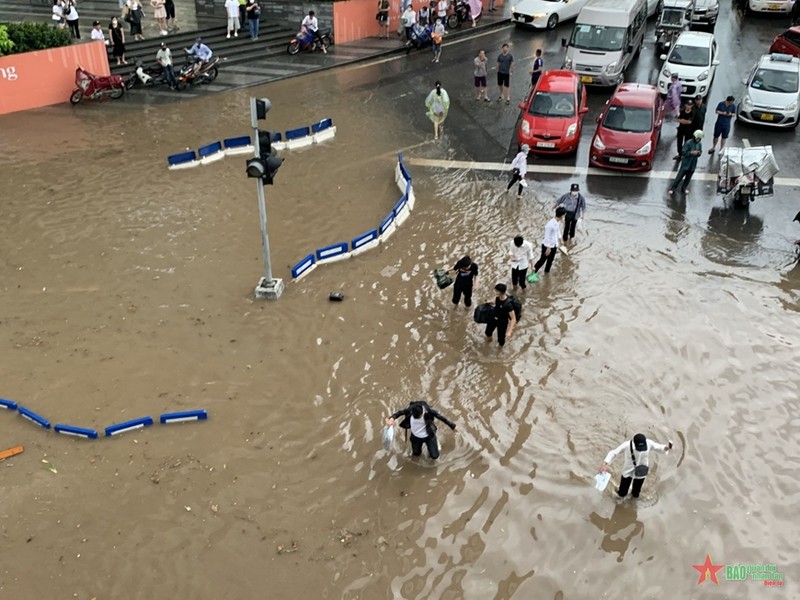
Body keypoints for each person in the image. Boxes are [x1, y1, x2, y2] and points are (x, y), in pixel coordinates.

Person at [600, 433, 672, 499]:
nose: (641, 450)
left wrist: (667, 448)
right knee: (622, 493)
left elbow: (659, 447)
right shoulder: (627, 445)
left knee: (636, 493)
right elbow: (614, 453)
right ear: (634, 443)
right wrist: (605, 464)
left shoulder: (649, 443)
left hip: (641, 472)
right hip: (628, 471)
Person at [386, 401, 456, 460]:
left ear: (422, 412)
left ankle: (435, 442)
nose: (416, 418)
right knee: (416, 454)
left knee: (434, 456)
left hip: (429, 436)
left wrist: (452, 426)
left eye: (418, 416)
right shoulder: (410, 410)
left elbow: (442, 417)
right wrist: (392, 418)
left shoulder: (429, 411)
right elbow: (399, 413)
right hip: (415, 437)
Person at [533, 207, 566, 275]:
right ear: (562, 215)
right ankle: (533, 272)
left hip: (554, 245)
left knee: (550, 260)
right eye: (564, 215)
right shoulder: (550, 225)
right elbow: (547, 236)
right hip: (547, 246)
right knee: (542, 260)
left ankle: (546, 272)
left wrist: (560, 240)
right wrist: (548, 248)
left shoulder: (558, 222)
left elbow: (558, 231)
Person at [669, 130, 703, 195]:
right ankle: (673, 188)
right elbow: (683, 152)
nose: (699, 140)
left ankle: (684, 188)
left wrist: (698, 153)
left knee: (688, 177)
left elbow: (700, 151)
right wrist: (691, 153)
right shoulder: (688, 143)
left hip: (693, 163)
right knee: (679, 177)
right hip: (686, 163)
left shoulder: (699, 144)